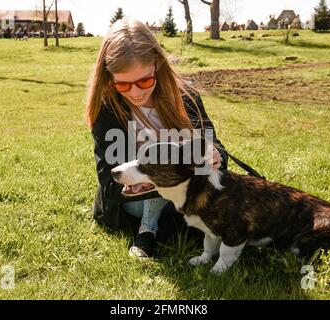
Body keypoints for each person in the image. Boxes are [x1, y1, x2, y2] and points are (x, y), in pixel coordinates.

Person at [86, 19, 228, 258]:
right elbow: (110, 183)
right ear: (109, 78)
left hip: (185, 191)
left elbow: (217, 150)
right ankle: (147, 229)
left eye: (144, 81)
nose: (136, 92)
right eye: (123, 85)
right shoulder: (107, 109)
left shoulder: (185, 96)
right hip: (134, 200)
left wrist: (213, 154)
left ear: (158, 65)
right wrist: (155, 180)